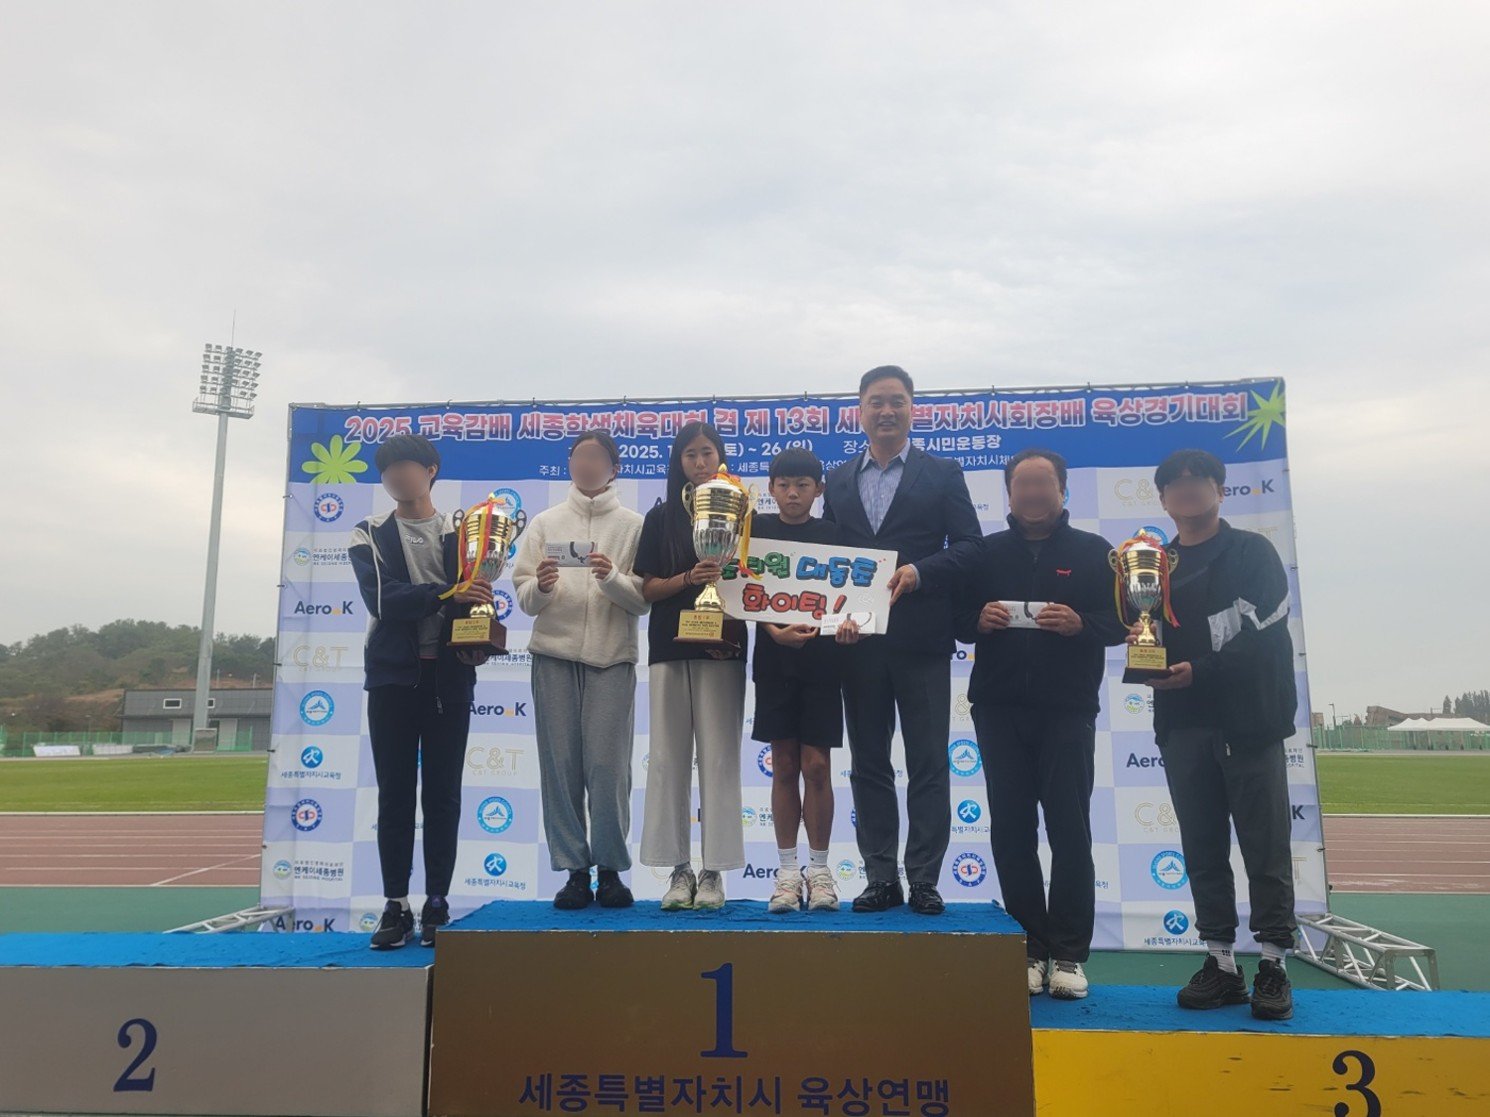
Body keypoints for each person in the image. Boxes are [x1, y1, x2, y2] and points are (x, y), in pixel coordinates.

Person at [955, 448, 1127, 999]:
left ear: (1062, 490)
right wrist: (976, 620)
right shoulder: (985, 552)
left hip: (1067, 711)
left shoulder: (1094, 552)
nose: (1032, 493)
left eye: (1042, 484)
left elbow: (1123, 623)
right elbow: (954, 618)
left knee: (1070, 829)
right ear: (1008, 493)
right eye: (1022, 485)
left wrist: (1081, 623)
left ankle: (1070, 954)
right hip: (998, 709)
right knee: (1011, 830)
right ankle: (1028, 947)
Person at [1135, 448, 1299, 1020]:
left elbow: (1263, 631)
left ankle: (1274, 963)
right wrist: (1145, 654)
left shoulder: (1253, 552)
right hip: (1182, 725)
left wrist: (1198, 671)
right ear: (1163, 500)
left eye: (1198, 480)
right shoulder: (1153, 565)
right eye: (1174, 484)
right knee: (1202, 847)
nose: (1186, 490)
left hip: (1248, 723)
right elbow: (1148, 630)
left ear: (1220, 490)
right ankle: (1222, 963)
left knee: (1265, 846)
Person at [823, 366, 982, 915]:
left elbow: (971, 546)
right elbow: (830, 561)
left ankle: (924, 880)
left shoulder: (942, 473)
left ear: (913, 408)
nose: (886, 411)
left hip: (922, 641)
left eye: (896, 401)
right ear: (860, 411)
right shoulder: (838, 480)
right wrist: (834, 617)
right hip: (857, 643)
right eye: (876, 402)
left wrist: (920, 571)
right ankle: (879, 877)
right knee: (868, 763)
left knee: (929, 763)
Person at [347, 434, 491, 949]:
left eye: (406, 466)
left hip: (449, 677)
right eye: (387, 470)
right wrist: (449, 592)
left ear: (430, 471)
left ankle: (436, 901)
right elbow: (383, 599)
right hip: (393, 679)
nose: (396, 477)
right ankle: (394, 904)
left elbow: (477, 595)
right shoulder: (368, 532)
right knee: (395, 795)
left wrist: (479, 630)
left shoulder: (463, 531)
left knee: (444, 795)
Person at [512, 430, 648, 910]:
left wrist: (611, 577)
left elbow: (642, 599)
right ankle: (574, 870)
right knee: (560, 767)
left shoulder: (633, 526)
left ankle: (610, 870)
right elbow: (525, 596)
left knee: (608, 770)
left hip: (612, 658)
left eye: (596, 457)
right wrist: (543, 586)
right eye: (578, 455)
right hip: (553, 656)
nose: (586, 463)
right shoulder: (545, 522)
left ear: (614, 468)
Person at [634, 422, 749, 910]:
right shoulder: (661, 517)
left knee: (720, 758)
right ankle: (678, 869)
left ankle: (714, 871)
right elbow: (646, 588)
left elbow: (756, 582)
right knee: (667, 757)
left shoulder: (743, 510)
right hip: (668, 644)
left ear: (720, 456)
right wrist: (688, 577)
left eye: (707, 452)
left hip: (723, 646)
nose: (700, 463)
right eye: (690, 455)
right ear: (678, 462)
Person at [750, 448, 861, 913]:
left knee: (816, 766)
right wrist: (773, 629)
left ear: (819, 490)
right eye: (784, 485)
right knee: (783, 766)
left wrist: (852, 624)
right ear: (771, 489)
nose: (792, 493)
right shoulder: (754, 531)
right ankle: (786, 873)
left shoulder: (833, 535)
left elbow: (853, 595)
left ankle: (819, 871)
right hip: (774, 660)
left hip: (822, 662)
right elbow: (741, 590)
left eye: (802, 485)